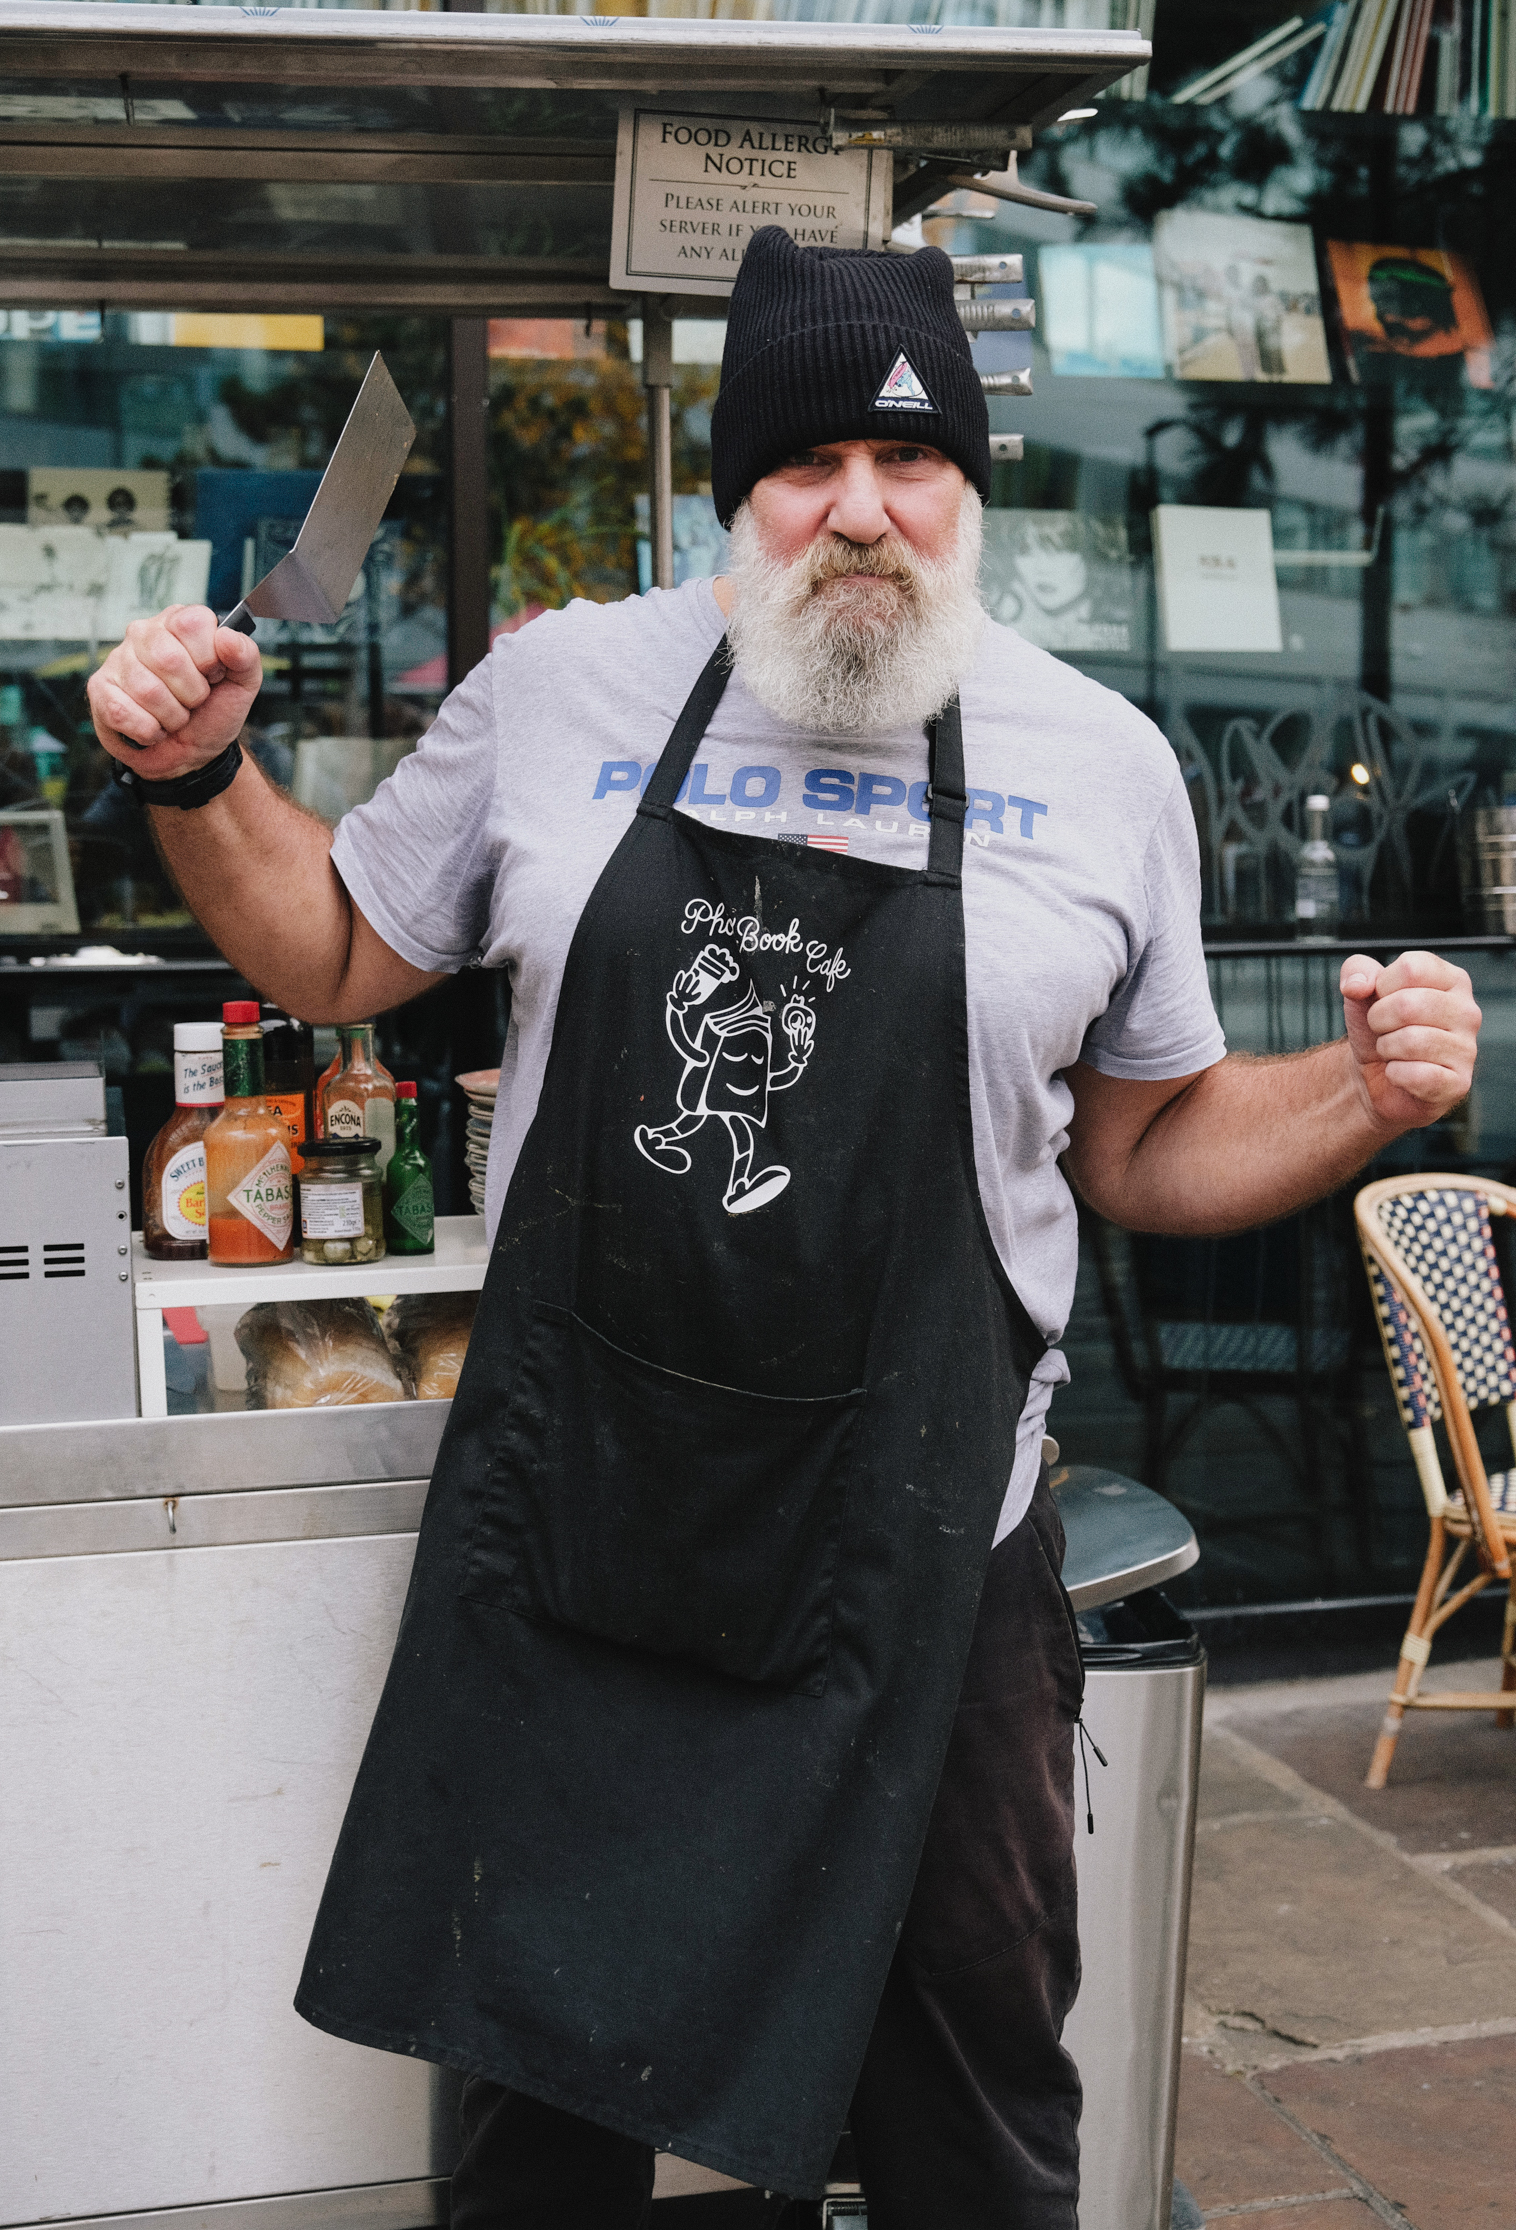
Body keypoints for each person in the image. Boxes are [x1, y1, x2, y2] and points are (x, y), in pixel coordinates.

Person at [87, 228, 1481, 2229]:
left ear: (975, 493)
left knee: (968, 2115)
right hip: (585, 1528)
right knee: (531, 2111)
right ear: (734, 493)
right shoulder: (562, 689)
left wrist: (1366, 1094)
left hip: (934, 1562)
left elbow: (1145, 1153)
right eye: (804, 462)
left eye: (911, 465)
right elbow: (334, 949)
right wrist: (197, 769)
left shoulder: (1106, 764)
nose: (859, 510)